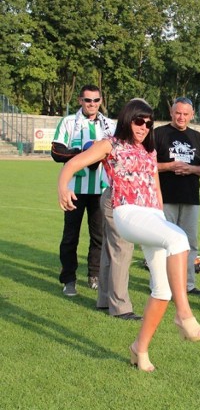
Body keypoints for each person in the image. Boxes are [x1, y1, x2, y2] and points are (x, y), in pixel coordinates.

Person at [58, 98, 200, 372]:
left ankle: (139, 349)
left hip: (152, 215)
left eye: (149, 123)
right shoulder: (110, 144)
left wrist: (162, 216)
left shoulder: (149, 150)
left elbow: (155, 186)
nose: (144, 127)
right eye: (139, 121)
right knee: (180, 239)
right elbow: (72, 165)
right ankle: (184, 314)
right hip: (126, 212)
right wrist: (62, 187)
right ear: (128, 119)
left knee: (161, 289)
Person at [51, 84, 114, 296]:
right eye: (88, 100)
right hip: (74, 190)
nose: (92, 104)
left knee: (99, 236)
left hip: (101, 189)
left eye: (96, 100)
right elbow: (56, 151)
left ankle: (94, 274)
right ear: (80, 101)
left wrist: (99, 156)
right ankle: (68, 279)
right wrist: (82, 154)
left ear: (101, 101)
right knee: (70, 236)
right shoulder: (69, 122)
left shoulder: (109, 125)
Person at [155, 97, 200, 295]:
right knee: (163, 242)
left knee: (190, 242)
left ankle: (187, 284)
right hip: (164, 197)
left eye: (185, 114)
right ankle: (161, 285)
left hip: (190, 198)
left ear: (192, 115)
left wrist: (190, 169)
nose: (181, 117)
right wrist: (169, 166)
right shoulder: (158, 134)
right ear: (171, 113)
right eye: (178, 113)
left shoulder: (196, 137)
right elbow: (147, 165)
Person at [96, 185, 140, 320]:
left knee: (111, 250)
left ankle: (104, 300)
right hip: (121, 199)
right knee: (122, 250)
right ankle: (120, 307)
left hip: (116, 197)